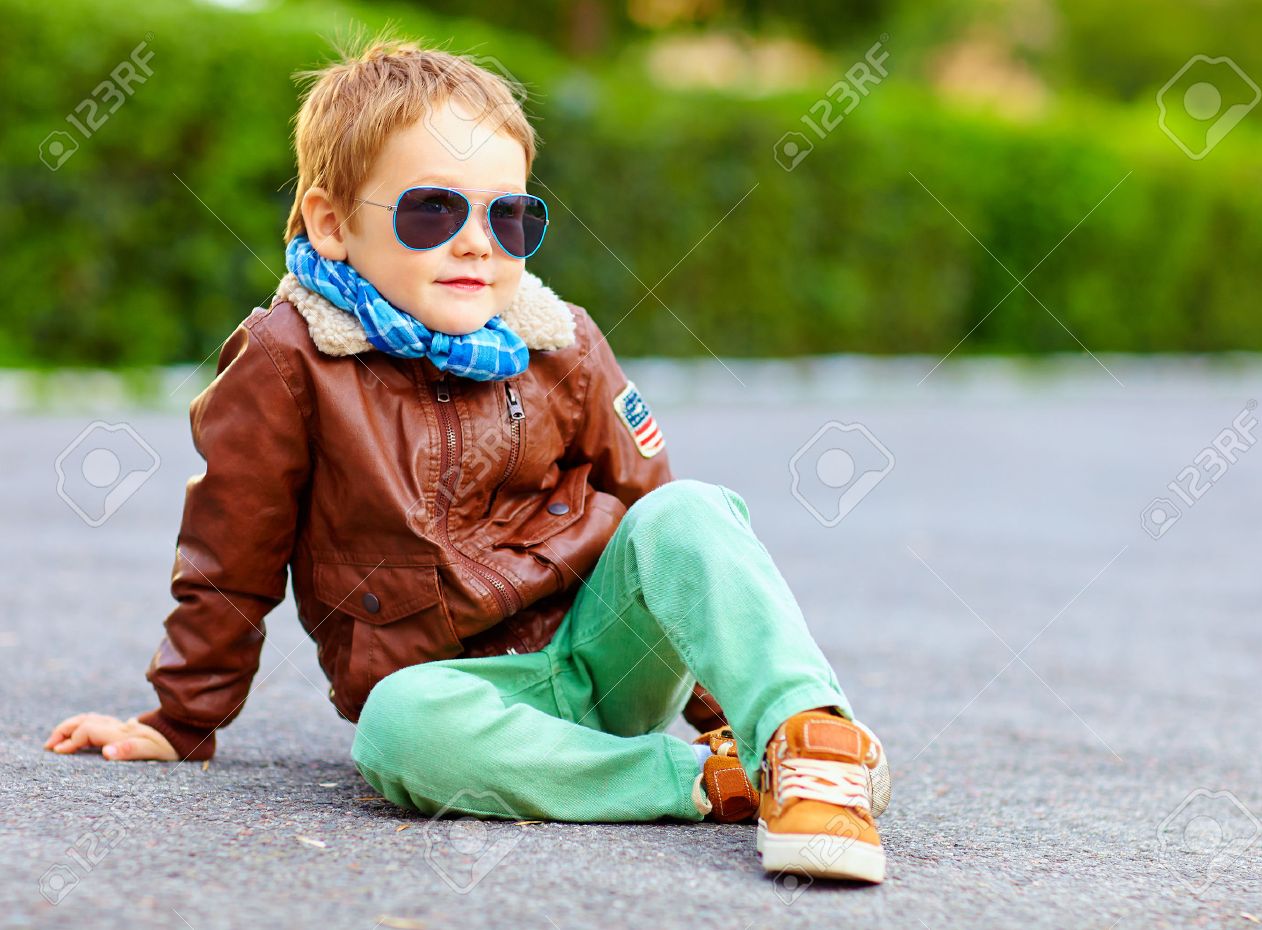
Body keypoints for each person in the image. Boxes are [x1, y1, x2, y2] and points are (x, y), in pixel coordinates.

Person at [42, 36, 891, 882]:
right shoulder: (290, 362)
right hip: (456, 697)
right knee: (396, 729)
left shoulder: (561, 344)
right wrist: (179, 721)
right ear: (334, 223)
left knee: (692, 508)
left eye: (511, 217)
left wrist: (720, 709)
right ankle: (714, 783)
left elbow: (674, 556)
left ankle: (805, 743)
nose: (480, 244)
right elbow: (231, 556)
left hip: (602, 658)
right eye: (432, 211)